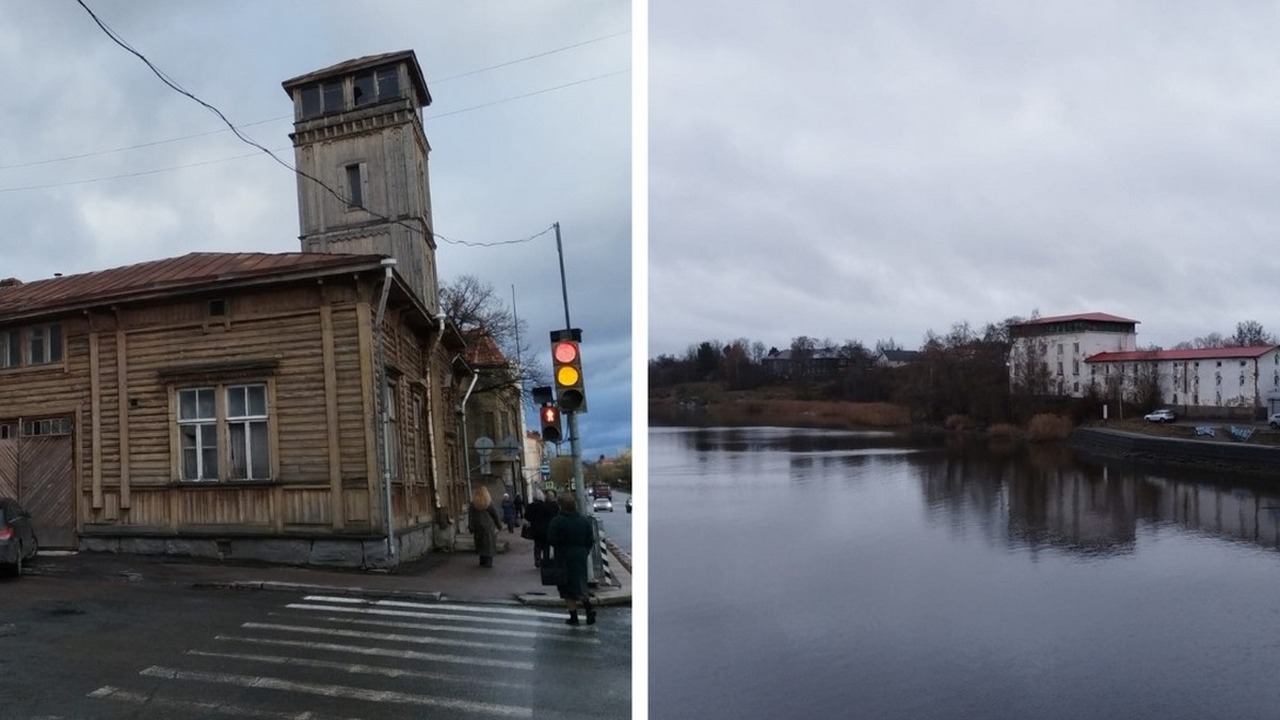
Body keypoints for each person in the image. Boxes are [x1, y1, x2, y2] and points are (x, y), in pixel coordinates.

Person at [547, 492, 596, 626]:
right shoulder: (583, 520)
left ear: (561, 506)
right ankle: (589, 611)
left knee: (566, 587)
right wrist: (584, 551)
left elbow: (551, 539)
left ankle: (573, 617)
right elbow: (590, 539)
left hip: (563, 557)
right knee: (581, 584)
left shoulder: (557, 521)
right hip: (580, 556)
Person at [468, 486, 501, 568]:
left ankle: (482, 560)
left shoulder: (473, 504)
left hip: (478, 526)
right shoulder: (488, 503)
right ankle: (488, 562)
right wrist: (499, 525)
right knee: (489, 544)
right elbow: (495, 515)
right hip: (488, 526)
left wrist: (471, 527)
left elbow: (471, 516)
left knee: (480, 543)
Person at [526, 489, 555, 568]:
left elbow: (527, 517)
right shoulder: (547, 506)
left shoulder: (530, 506)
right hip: (546, 529)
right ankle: (546, 560)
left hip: (535, 529)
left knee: (537, 545)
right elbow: (552, 516)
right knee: (546, 546)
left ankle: (537, 560)